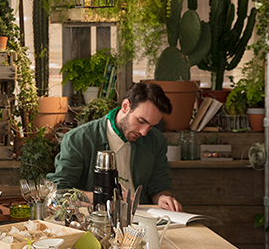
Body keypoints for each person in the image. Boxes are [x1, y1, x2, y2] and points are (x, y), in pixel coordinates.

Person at [47, 82, 183, 212]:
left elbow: (159, 185)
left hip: (143, 220)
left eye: (151, 126)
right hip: (97, 221)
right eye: (141, 121)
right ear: (125, 106)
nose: (144, 132)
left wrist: (163, 198)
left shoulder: (155, 140)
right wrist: (104, 197)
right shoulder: (78, 139)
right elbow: (60, 191)